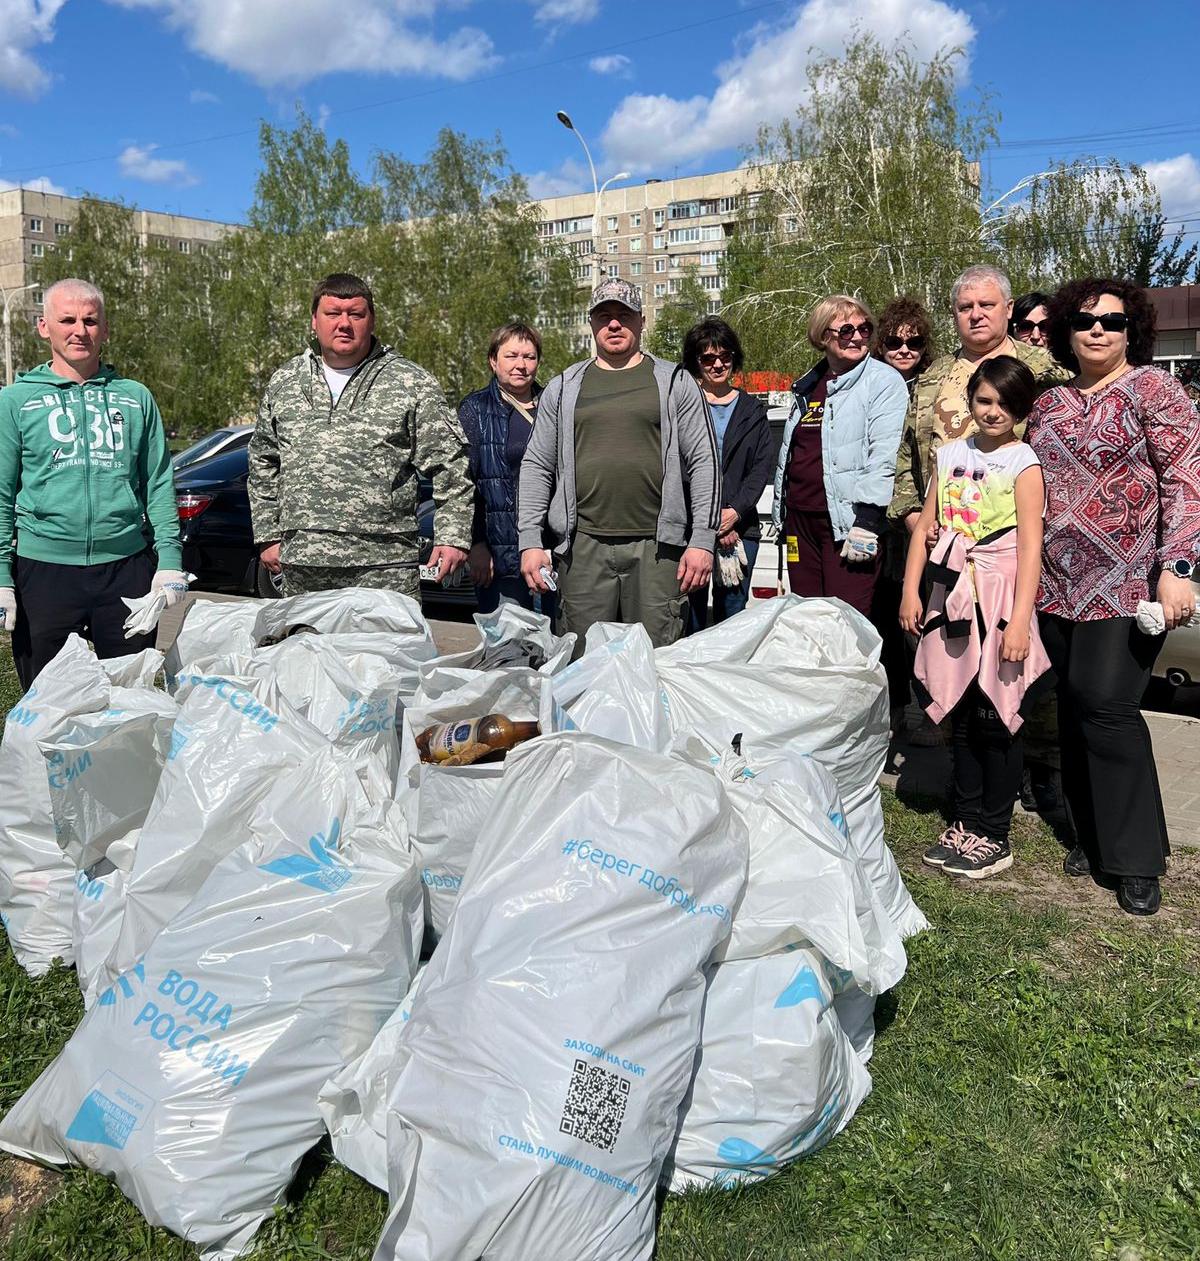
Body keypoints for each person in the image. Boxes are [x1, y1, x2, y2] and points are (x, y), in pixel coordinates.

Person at [1028, 278, 1200, 917]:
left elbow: (1186, 479)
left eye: (1113, 321)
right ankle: (1091, 834)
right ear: (1066, 333)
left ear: (1134, 331)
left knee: (1108, 706)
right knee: (1073, 707)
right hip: (1055, 585)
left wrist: (1177, 567)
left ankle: (1136, 858)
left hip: (1129, 584)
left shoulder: (1154, 390)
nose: (1098, 330)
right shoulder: (1050, 405)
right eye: (1084, 321)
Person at [889, 265, 1069, 807]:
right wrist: (911, 518)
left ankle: (1037, 774)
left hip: (1012, 554)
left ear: (1008, 309)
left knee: (1016, 667)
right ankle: (967, 776)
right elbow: (907, 455)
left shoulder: (1045, 368)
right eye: (966, 306)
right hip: (943, 550)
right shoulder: (933, 375)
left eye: (987, 305)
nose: (976, 314)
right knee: (955, 661)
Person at [901, 357, 1049, 880]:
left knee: (997, 712)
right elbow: (926, 527)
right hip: (951, 594)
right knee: (960, 709)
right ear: (970, 402)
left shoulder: (1023, 462)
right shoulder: (949, 454)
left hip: (1001, 594)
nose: (993, 412)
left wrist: (1018, 621)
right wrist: (910, 593)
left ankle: (994, 830)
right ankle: (964, 818)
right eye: (984, 401)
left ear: (1021, 410)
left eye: (1006, 404)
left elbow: (1031, 548)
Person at [0, 278, 184, 691]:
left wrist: (169, 560)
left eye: (90, 320)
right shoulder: (14, 401)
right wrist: (1, 578)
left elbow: (157, 482)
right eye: (67, 319)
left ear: (105, 328)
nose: (79, 330)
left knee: (129, 698)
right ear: (44, 327)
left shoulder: (135, 397)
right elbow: (1, 493)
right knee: (47, 702)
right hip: (43, 571)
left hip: (125, 570)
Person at [518, 278, 719, 650]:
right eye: (604, 316)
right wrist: (530, 540)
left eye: (623, 315)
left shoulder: (674, 381)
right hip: (582, 551)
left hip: (659, 551)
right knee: (583, 666)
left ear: (642, 321)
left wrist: (702, 541)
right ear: (592, 324)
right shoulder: (564, 387)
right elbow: (537, 465)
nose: (614, 324)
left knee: (657, 664)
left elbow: (704, 462)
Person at [248, 272, 472, 598]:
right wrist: (267, 534)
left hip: (384, 567)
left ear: (372, 320)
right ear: (314, 320)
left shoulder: (409, 382)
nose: (344, 323)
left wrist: (452, 536)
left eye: (355, 314)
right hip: (304, 565)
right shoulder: (286, 381)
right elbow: (262, 460)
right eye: (332, 313)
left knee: (385, 650)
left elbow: (451, 464)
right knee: (306, 649)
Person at [771, 294, 907, 616]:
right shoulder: (809, 386)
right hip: (800, 522)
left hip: (847, 526)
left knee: (846, 624)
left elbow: (883, 456)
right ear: (823, 335)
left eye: (864, 329)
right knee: (807, 621)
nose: (857, 337)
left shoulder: (883, 381)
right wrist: (782, 516)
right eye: (846, 330)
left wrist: (867, 521)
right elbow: (791, 454)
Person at [681, 317, 774, 630]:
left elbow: (760, 469)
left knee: (731, 622)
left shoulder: (753, 410)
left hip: (740, 530)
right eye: (709, 358)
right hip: (690, 530)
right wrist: (711, 522)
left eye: (725, 356)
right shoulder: (683, 406)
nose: (718, 364)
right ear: (696, 362)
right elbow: (679, 466)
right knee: (687, 617)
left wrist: (732, 513)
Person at [458, 321, 554, 620]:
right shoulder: (474, 410)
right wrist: (475, 543)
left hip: (551, 552)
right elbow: (463, 483)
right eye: (511, 356)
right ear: (493, 360)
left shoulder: (555, 404)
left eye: (529, 357)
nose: (521, 365)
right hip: (498, 558)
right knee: (508, 653)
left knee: (557, 652)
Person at [871, 297, 935, 739]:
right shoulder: (870, 386)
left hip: (926, 529)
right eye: (894, 341)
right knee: (887, 633)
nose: (904, 349)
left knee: (928, 630)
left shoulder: (937, 388)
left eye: (914, 342)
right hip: (881, 531)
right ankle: (894, 719)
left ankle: (937, 716)